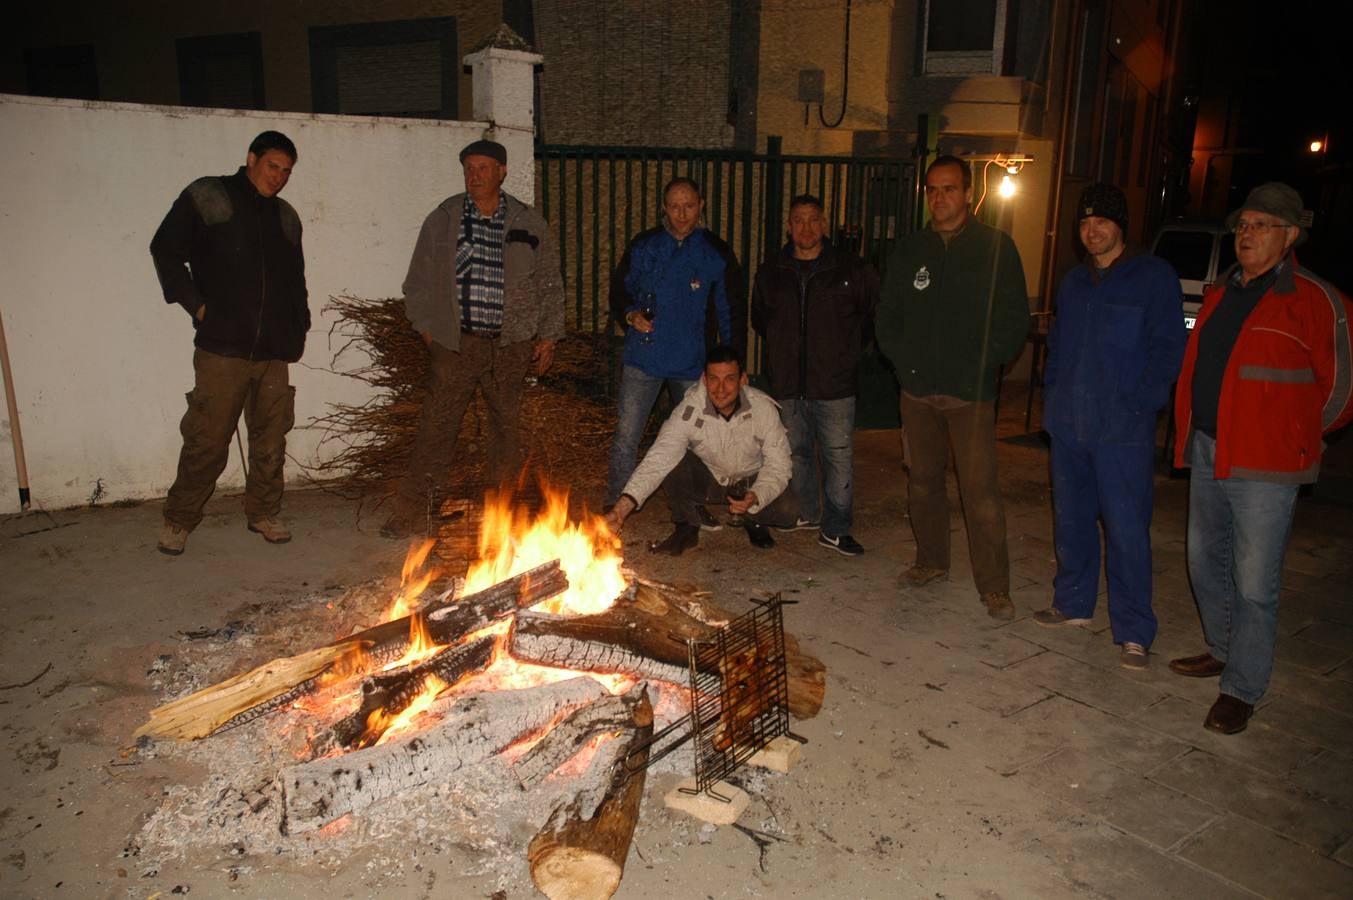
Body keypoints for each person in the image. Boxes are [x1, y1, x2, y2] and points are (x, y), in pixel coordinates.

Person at [1169, 182, 1353, 734]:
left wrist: (1300, 437)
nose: (1245, 235)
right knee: (1205, 561)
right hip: (1208, 446)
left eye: (1260, 226)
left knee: (1254, 581)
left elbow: (1342, 390)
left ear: (1290, 235)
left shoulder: (1319, 300)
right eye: (1242, 226)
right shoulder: (1223, 291)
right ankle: (1224, 650)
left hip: (1268, 465)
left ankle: (1243, 688)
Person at [1032, 183, 1187, 668]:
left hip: (1123, 429)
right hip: (1071, 424)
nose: (1091, 230)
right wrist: (1053, 401)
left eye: (1101, 221)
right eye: (1084, 223)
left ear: (1120, 226)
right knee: (1072, 518)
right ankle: (1073, 604)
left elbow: (1168, 349)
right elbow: (1058, 345)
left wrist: (1143, 401)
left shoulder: (1152, 277)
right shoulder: (1074, 282)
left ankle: (1134, 629)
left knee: (1125, 528)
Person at [875, 155, 1031, 620]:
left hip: (970, 394)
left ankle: (995, 586)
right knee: (922, 483)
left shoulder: (995, 248)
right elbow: (888, 315)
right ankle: (930, 561)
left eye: (948, 189)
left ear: (967, 194)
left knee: (979, 492)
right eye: (932, 189)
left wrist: (984, 366)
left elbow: (1013, 318)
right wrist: (905, 365)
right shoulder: (911, 249)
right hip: (917, 391)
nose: (939, 198)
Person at [383, 139, 564, 537]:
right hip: (456, 343)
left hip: (510, 347)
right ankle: (414, 512)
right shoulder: (444, 219)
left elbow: (550, 283)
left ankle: (502, 517)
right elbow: (417, 282)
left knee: (506, 433)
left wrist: (548, 336)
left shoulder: (527, 221)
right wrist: (429, 331)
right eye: (468, 167)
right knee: (437, 428)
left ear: (501, 172)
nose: (474, 174)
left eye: (483, 167)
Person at [150, 131, 309, 556]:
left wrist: (299, 328)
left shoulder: (287, 218)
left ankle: (263, 512)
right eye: (273, 166)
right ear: (252, 158)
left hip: (274, 352)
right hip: (222, 348)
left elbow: (296, 281)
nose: (279, 177)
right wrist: (199, 308)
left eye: (287, 172)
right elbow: (164, 249)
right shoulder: (210, 195)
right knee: (207, 438)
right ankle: (179, 519)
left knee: (271, 438)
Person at [604, 177, 743, 518]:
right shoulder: (645, 245)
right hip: (644, 358)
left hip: (692, 363)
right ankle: (615, 505)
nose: (682, 214)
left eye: (689, 206)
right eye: (675, 206)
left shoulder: (715, 252)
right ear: (664, 208)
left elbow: (731, 310)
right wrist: (630, 314)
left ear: (702, 205)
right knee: (627, 435)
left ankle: (694, 505)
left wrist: (734, 363)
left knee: (697, 440)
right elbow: (620, 290)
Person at [751, 194, 879, 557]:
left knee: (838, 457)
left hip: (834, 385)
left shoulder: (851, 270)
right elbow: (761, 319)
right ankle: (808, 513)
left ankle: (836, 528)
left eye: (813, 220)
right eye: (798, 220)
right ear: (789, 226)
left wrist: (845, 356)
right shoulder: (771, 271)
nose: (805, 227)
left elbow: (870, 319)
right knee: (798, 453)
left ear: (824, 224)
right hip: (789, 384)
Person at [604, 345, 797, 554]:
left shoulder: (763, 409)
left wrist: (756, 495)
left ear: (743, 380)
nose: (720, 388)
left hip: (750, 482)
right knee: (674, 459)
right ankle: (688, 523)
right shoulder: (690, 408)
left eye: (730, 379)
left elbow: (779, 465)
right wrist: (621, 510)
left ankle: (752, 517)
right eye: (714, 379)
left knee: (788, 512)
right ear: (705, 379)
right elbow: (659, 458)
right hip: (711, 480)